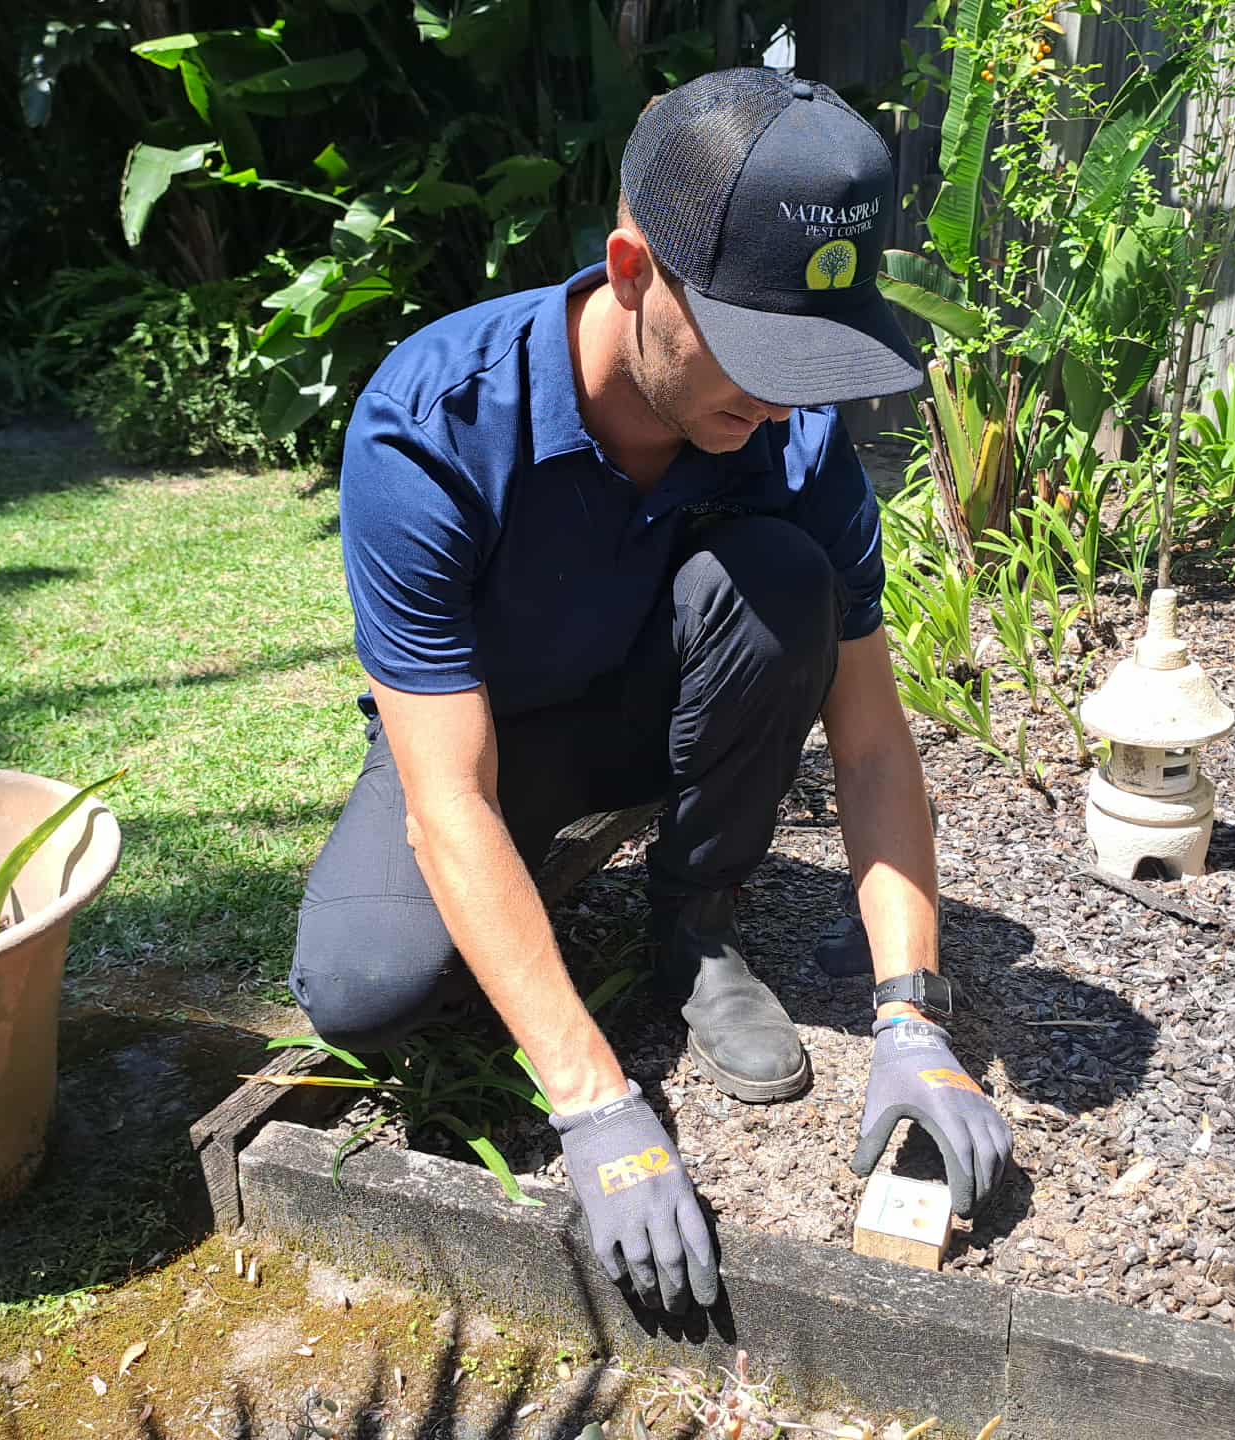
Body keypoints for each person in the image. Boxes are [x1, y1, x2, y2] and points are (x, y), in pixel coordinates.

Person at [290, 67, 1013, 1316]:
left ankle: (693, 928)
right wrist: (596, 1103)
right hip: (489, 744)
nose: (780, 395)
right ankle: (547, 930)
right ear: (632, 272)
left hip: (661, 711)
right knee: (363, 993)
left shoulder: (791, 435)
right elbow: (446, 793)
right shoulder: (433, 422)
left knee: (788, 581)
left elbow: (874, 742)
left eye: (810, 357)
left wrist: (913, 1017)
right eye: (752, 348)